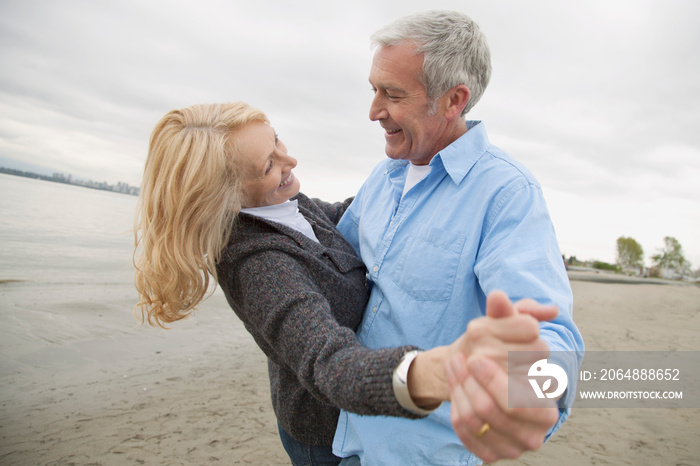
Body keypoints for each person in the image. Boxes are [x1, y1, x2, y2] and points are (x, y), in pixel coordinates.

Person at [133, 102, 557, 465]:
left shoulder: (285, 205)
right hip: (325, 435)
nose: (289, 161)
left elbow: (343, 219)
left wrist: (440, 198)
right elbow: (329, 364)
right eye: (269, 165)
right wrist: (431, 374)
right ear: (226, 196)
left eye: (277, 142)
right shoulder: (258, 264)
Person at [331, 10, 585, 465]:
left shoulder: (507, 194)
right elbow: (336, 261)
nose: (374, 111)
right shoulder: (383, 176)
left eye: (392, 94)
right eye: (374, 89)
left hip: (425, 454)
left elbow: (552, 336)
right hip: (348, 440)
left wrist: (524, 397)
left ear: (453, 100)